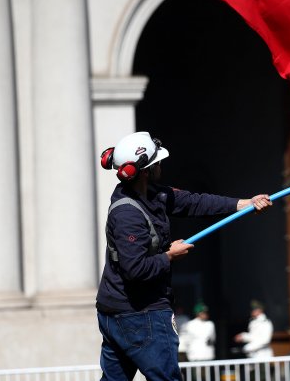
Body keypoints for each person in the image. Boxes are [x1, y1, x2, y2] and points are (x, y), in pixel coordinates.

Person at [95, 131, 272, 381]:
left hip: (121, 311)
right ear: (145, 170)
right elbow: (134, 269)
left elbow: (194, 202)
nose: (161, 165)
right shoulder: (127, 215)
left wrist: (244, 204)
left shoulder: (154, 194)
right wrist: (169, 256)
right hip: (140, 314)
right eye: (157, 162)